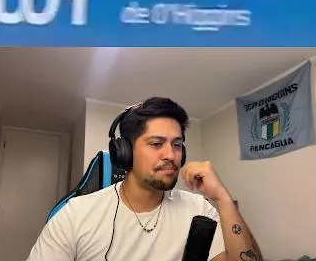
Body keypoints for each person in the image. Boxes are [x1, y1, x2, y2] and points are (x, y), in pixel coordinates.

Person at [26, 97, 265, 261]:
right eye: (157, 144)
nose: (171, 155)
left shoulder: (199, 210)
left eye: (177, 145)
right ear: (125, 152)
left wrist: (223, 198)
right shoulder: (76, 214)